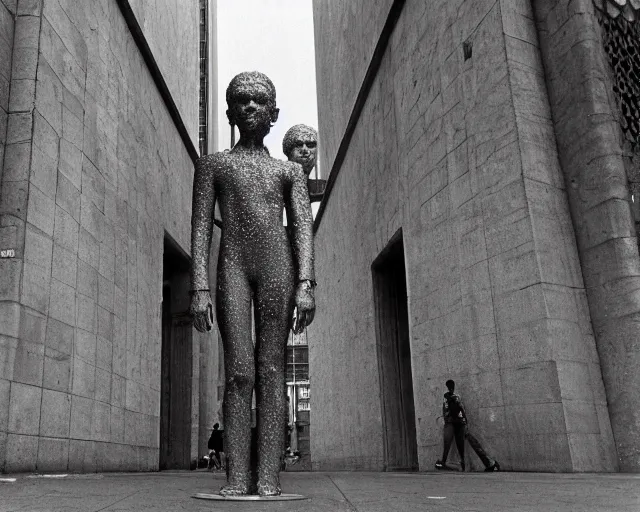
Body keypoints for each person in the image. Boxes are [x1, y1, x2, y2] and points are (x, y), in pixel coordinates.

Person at [189, 71, 316, 496]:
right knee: (240, 371)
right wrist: (200, 286)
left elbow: (301, 227)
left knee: (272, 369)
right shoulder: (214, 165)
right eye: (241, 100)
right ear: (229, 111)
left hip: (277, 269)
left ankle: (268, 477)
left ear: (274, 113)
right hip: (233, 269)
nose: (249, 107)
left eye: (258, 101)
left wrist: (305, 282)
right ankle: (238, 476)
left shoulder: (289, 173)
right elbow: (202, 227)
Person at [435, 379, 500, 472]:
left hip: (455, 423)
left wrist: (451, 419)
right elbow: (460, 410)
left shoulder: (450, 397)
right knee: (467, 442)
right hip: (459, 422)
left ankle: (490, 463)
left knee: (459, 442)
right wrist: (464, 421)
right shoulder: (454, 397)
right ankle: (488, 463)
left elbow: (450, 411)